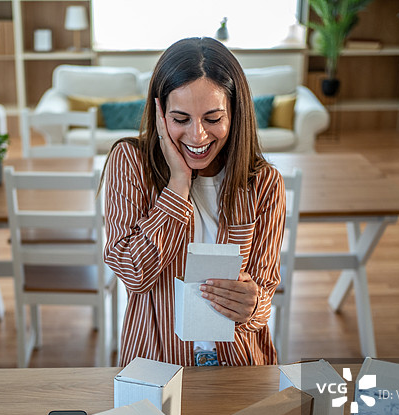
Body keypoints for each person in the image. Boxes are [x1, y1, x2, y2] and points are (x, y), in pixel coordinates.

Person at [103, 37, 286, 367]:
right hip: (157, 362)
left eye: (213, 119)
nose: (198, 136)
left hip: (239, 363)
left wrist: (252, 306)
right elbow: (134, 273)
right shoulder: (130, 163)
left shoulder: (264, 183)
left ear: (235, 114)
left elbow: (264, 293)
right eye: (180, 118)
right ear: (160, 114)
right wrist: (177, 184)